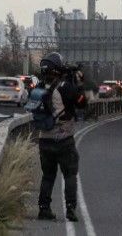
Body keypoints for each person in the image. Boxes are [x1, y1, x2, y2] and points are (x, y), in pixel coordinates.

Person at [31, 51, 86, 221]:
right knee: (69, 174)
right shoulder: (65, 86)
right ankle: (70, 209)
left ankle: (44, 208)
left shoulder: (39, 86)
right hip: (64, 139)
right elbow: (82, 103)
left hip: (44, 139)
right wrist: (78, 83)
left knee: (48, 175)